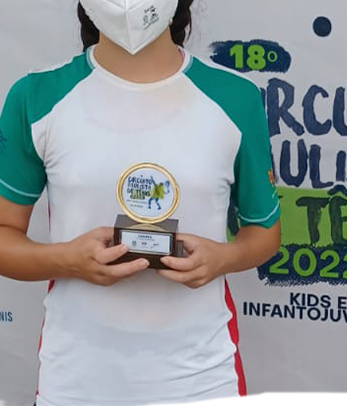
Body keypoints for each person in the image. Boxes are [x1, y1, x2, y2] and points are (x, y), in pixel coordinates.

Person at [0, 1, 281, 405]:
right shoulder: (36, 96)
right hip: (75, 383)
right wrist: (67, 260)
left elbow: (264, 231)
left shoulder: (235, 98)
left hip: (202, 380)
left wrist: (223, 258)